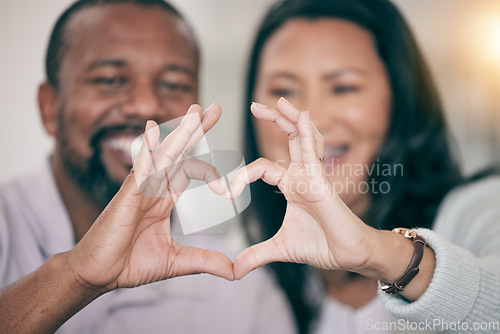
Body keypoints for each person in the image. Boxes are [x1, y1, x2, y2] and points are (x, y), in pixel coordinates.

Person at [0, 1, 296, 333]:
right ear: (50, 107)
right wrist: (75, 277)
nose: (145, 105)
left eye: (173, 84)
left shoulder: (241, 289)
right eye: (111, 80)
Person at [228, 0, 500, 333]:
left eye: (344, 87)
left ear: (401, 99)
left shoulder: (482, 210)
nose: (310, 120)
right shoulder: (242, 259)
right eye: (284, 90)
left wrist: (381, 254)